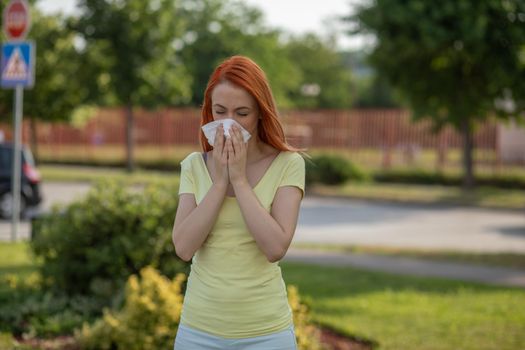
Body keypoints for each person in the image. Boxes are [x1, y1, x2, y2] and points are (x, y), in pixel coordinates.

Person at [172, 55, 305, 349]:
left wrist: (240, 180)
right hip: (198, 330)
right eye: (220, 112)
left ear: (260, 113)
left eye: (242, 113)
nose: (228, 123)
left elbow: (275, 248)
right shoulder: (194, 165)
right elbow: (183, 247)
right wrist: (220, 182)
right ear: (209, 112)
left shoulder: (288, 164)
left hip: (266, 332)